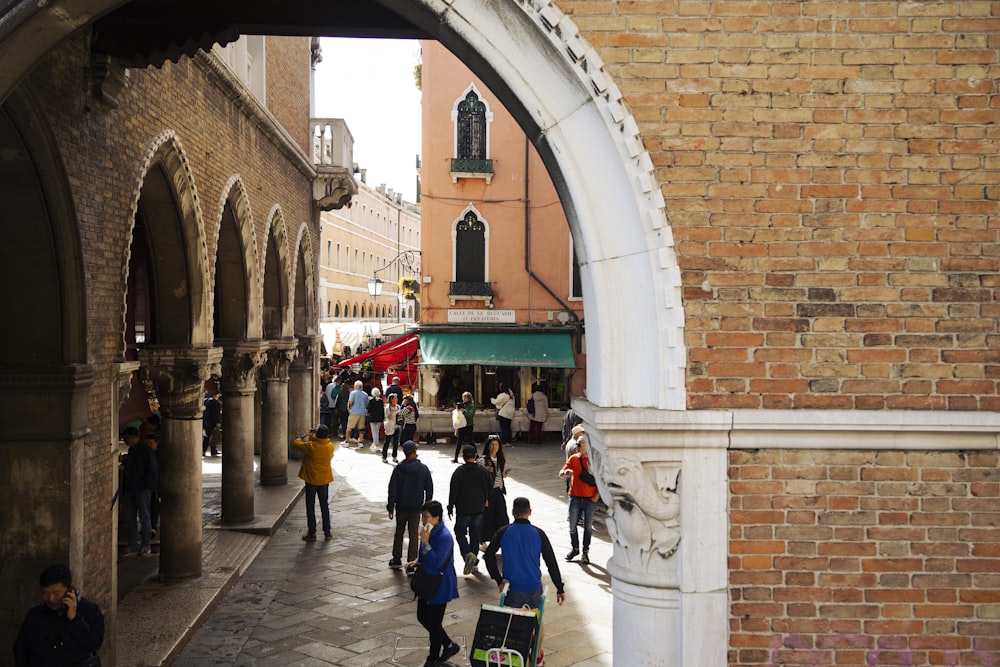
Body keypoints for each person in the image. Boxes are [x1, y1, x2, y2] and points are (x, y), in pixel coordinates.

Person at [483, 497, 566, 667]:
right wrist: (559, 587)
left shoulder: (504, 531)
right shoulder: (539, 533)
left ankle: (516, 655)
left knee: (511, 624)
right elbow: (551, 562)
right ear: (530, 512)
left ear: (512, 513)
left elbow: (488, 555)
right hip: (533, 587)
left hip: (512, 588)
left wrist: (498, 579)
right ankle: (537, 654)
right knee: (537, 620)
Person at [13, 564, 105, 667]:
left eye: (56, 593)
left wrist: (74, 619)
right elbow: (20, 649)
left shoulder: (89, 610)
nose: (51, 599)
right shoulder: (34, 615)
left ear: (71, 589)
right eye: (45, 594)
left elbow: (93, 643)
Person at [405, 500, 460, 667]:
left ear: (436, 518)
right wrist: (416, 561)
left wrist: (425, 543)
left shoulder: (444, 537)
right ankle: (449, 644)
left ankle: (433, 658)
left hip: (440, 584)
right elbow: (424, 555)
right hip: (427, 581)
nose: (423, 520)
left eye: (426, 516)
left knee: (434, 622)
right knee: (423, 616)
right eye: (422, 516)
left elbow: (437, 561)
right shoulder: (428, 531)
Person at [386, 440, 434, 570]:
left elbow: (392, 489)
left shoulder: (399, 469)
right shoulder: (423, 469)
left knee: (399, 532)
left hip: (401, 507)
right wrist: (427, 506)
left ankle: (396, 558)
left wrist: (391, 507)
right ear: (414, 452)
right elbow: (429, 488)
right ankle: (411, 562)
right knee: (413, 535)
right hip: (416, 507)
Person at [447, 444, 492, 575]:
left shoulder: (459, 472)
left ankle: (467, 555)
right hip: (478, 508)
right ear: (476, 456)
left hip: (463, 509)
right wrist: (486, 499)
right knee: (475, 535)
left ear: (463, 456)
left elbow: (453, 492)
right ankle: (473, 558)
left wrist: (450, 507)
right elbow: (490, 488)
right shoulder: (483, 471)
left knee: (460, 532)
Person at [291, 424, 336, 541]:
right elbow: (319, 443)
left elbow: (296, 443)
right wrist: (314, 435)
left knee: (310, 506)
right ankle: (327, 532)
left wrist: (304, 436)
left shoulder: (311, 446)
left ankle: (312, 532)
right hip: (324, 480)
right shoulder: (330, 446)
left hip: (311, 480)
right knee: (324, 506)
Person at [559, 436, 599, 564]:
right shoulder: (573, 458)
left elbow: (601, 479)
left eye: (580, 444)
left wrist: (597, 496)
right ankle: (575, 548)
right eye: (577, 444)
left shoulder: (595, 461)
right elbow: (561, 472)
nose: (577, 446)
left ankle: (585, 551)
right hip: (575, 496)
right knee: (572, 524)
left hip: (589, 498)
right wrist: (565, 473)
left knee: (588, 526)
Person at [122, 425, 157, 557]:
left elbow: (152, 470)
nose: (124, 442)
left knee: (144, 516)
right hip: (132, 488)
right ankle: (133, 544)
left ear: (133, 438)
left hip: (142, 488)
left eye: (126, 439)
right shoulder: (133, 450)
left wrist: (147, 486)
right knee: (130, 516)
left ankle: (146, 544)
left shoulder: (145, 450)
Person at [479, 434, 510, 547]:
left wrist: (503, 475)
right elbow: (481, 479)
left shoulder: (500, 459)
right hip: (488, 493)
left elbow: (496, 474)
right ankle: (482, 540)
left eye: (496, 445)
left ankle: (503, 539)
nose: (494, 447)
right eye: (492, 444)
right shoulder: (483, 461)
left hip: (498, 491)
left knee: (502, 516)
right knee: (487, 518)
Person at [452, 391, 475, 462]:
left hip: (468, 425)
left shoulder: (471, 406)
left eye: (466, 397)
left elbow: (471, 416)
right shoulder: (462, 405)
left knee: (470, 441)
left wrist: (464, 411)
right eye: (463, 397)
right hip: (461, 425)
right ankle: (455, 458)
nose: (464, 399)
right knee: (459, 441)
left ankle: (476, 455)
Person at [346, 380, 369, 447]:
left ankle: (347, 441)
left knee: (349, 427)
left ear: (355, 386)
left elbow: (350, 402)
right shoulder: (365, 394)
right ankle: (361, 442)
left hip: (354, 412)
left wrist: (349, 409)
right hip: (362, 412)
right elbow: (367, 404)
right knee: (361, 428)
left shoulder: (352, 393)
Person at [382, 392, 401, 463]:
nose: (397, 399)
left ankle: (394, 456)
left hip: (397, 426)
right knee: (387, 442)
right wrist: (394, 412)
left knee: (395, 442)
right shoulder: (388, 407)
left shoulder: (398, 407)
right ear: (391, 399)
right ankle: (384, 456)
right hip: (389, 426)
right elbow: (388, 417)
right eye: (395, 398)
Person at [202, 390, 221, 456]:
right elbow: (215, 413)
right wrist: (217, 422)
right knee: (212, 436)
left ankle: (206, 450)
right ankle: (210, 450)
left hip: (205, 421)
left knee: (207, 436)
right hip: (211, 422)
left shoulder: (205, 400)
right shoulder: (215, 402)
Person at [367, 387, 385, 452]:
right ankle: (375, 443)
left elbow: (369, 410)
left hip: (372, 418)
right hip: (379, 418)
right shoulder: (381, 401)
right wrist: (383, 418)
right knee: (376, 431)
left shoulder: (371, 401)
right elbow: (382, 410)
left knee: (373, 431)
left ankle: (376, 443)